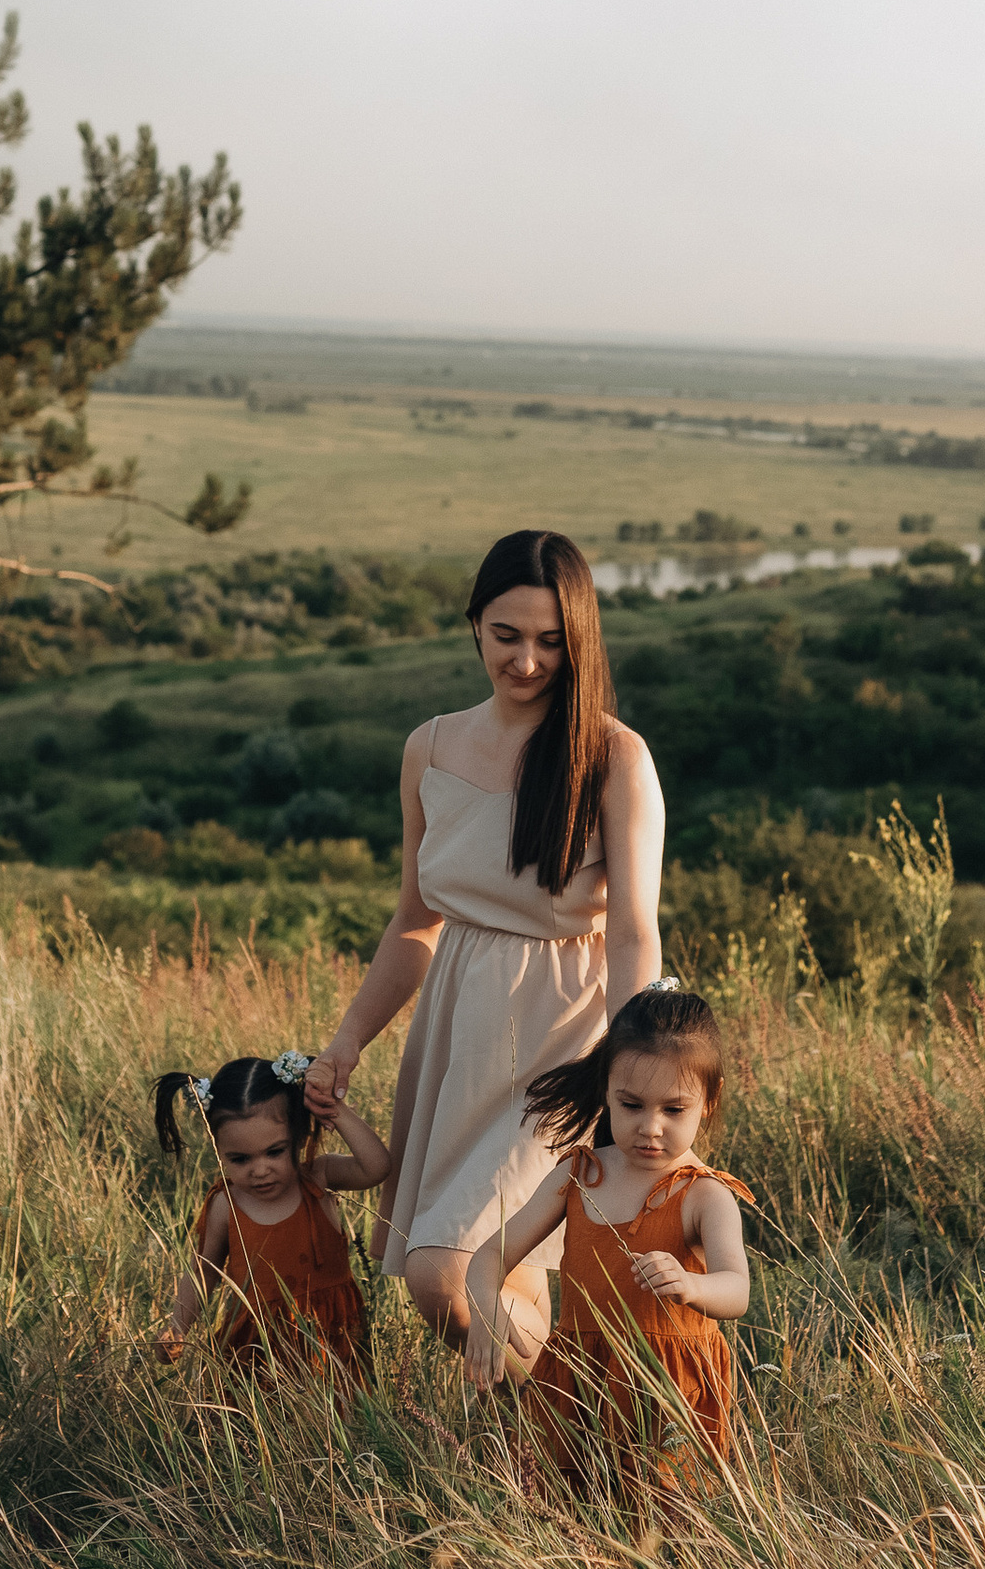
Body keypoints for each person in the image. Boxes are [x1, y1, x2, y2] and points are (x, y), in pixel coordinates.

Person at [305, 528, 664, 1373]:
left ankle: (570, 1415)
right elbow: (414, 921)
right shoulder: (430, 747)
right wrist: (347, 1041)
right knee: (506, 1282)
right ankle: (561, 1431)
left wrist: (626, 1075)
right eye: (506, 635)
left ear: (579, 642)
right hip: (458, 1036)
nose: (527, 661)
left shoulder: (614, 757)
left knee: (447, 1273)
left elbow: (632, 931)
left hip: (564, 1042)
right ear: (474, 624)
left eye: (551, 642)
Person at [463, 985, 752, 1488]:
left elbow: (737, 1289)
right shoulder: (578, 1175)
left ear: (709, 1101)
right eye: (632, 1105)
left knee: (661, 1513)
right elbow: (489, 1256)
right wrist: (486, 1304)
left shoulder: (704, 1195)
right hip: (579, 1381)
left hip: (666, 1390)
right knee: (567, 1504)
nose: (650, 1127)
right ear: (607, 1090)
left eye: (674, 1110)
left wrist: (693, 1285)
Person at [153, 1049, 391, 1375]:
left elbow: (377, 1167)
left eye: (275, 1152)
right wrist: (178, 1326)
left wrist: (332, 1107)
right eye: (240, 1159)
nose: (260, 1170)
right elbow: (204, 1270)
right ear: (219, 1149)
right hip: (259, 1352)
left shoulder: (317, 1177)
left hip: (333, 1342)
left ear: (300, 1136)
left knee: (339, 1406)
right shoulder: (226, 1205)